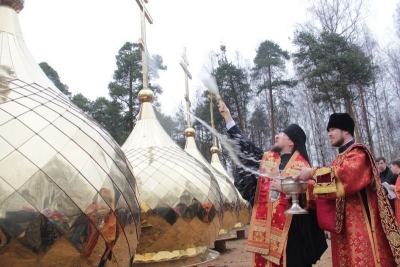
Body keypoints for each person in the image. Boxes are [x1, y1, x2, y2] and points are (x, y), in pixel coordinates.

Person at [218, 100, 327, 267]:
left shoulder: (302, 165)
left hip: (293, 231)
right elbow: (246, 146)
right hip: (267, 229)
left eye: (282, 135)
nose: (277, 136)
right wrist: (228, 118)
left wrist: (287, 189)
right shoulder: (267, 158)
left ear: (291, 142)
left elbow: (314, 193)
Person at [294, 112, 400, 266]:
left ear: (345, 130)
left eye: (332, 129)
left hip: (363, 228)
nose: (329, 134)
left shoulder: (359, 154)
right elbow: (328, 188)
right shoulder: (338, 159)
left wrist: (311, 173)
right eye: (328, 131)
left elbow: (344, 178)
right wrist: (300, 188)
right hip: (344, 229)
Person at [388, 158, 400, 224]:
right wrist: (391, 195)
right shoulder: (398, 176)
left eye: (391, 167)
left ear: (396, 166)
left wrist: (394, 188)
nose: (391, 169)